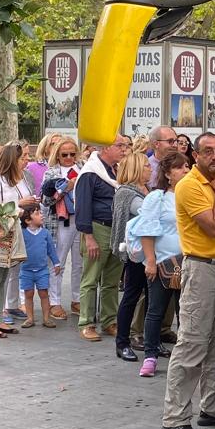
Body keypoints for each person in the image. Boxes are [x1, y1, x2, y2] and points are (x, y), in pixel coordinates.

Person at [160, 132, 215, 429]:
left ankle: (213, 406)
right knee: (192, 343)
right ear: (195, 155)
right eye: (208, 151)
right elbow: (209, 227)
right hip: (200, 269)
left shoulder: (214, 184)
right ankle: (175, 417)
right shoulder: (190, 186)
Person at [129, 150, 190, 379]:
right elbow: (147, 230)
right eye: (179, 167)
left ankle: (184, 358)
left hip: (189, 262)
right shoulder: (158, 197)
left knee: (185, 313)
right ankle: (150, 356)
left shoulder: (194, 195)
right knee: (155, 310)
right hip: (163, 262)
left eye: (187, 166)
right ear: (167, 172)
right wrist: (151, 261)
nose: (185, 170)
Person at [0, 141, 34, 339]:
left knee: (1, 279)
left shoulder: (15, 179)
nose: (26, 161)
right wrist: (18, 205)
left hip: (8, 235)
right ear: (12, 160)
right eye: (23, 158)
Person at [74, 138, 128, 341]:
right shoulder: (90, 173)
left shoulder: (118, 171)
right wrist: (88, 237)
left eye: (125, 146)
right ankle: (86, 322)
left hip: (117, 229)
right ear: (106, 148)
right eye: (120, 146)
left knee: (112, 280)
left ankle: (109, 320)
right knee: (91, 278)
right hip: (97, 229)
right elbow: (83, 206)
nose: (124, 150)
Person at [111, 151, 149, 362]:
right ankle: (122, 342)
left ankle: (151, 340)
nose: (150, 169)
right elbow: (146, 213)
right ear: (136, 169)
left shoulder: (145, 189)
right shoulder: (126, 193)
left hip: (150, 250)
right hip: (136, 253)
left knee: (151, 299)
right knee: (131, 296)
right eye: (146, 166)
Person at [39, 137, 81, 320]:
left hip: (81, 220)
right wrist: (64, 189)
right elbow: (46, 200)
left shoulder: (83, 168)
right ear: (57, 154)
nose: (69, 157)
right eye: (65, 154)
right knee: (58, 263)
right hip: (60, 221)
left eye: (73, 154)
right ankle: (55, 301)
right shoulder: (51, 173)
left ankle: (77, 299)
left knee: (80, 263)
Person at [16, 201, 61, 327]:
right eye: (37, 213)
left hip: (42, 270)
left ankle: (46, 319)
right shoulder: (22, 234)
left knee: (44, 293)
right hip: (26, 270)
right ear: (28, 220)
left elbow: (51, 249)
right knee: (28, 294)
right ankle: (30, 318)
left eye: (41, 212)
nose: (41, 215)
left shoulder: (45, 233)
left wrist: (56, 263)